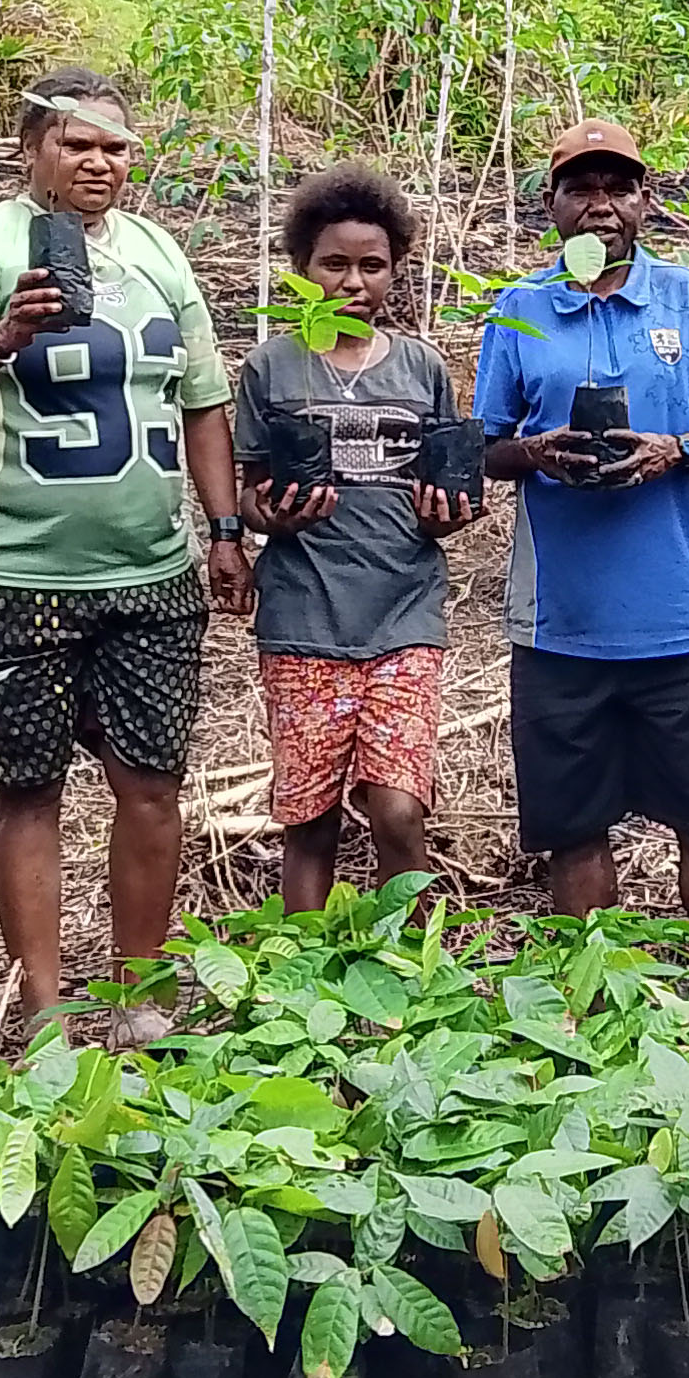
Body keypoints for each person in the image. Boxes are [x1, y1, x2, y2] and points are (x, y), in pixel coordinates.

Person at [0, 66, 249, 1036]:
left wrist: (222, 528)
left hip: (149, 570)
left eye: (114, 147)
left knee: (150, 782)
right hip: (11, 568)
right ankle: (44, 1006)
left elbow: (204, 400)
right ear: (30, 149)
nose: (97, 162)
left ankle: (139, 995)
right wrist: (5, 334)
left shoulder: (157, 255)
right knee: (28, 785)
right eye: (75, 143)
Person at [474, 117, 689, 917]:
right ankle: (588, 1020)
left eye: (617, 187)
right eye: (581, 187)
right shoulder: (520, 308)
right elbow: (485, 448)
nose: (600, 205)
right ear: (551, 203)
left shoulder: (686, 297)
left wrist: (674, 448)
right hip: (559, 625)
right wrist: (535, 454)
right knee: (576, 831)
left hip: (678, 620)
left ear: (644, 200)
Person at [239, 163, 480, 913]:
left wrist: (451, 513)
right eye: (334, 265)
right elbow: (249, 489)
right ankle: (302, 972)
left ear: (395, 271)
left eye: (371, 266)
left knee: (399, 808)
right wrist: (267, 514)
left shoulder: (421, 367)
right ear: (302, 270)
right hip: (303, 614)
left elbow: (451, 493)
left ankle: (407, 961)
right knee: (307, 818)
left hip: (405, 609)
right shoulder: (270, 367)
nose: (353, 282)